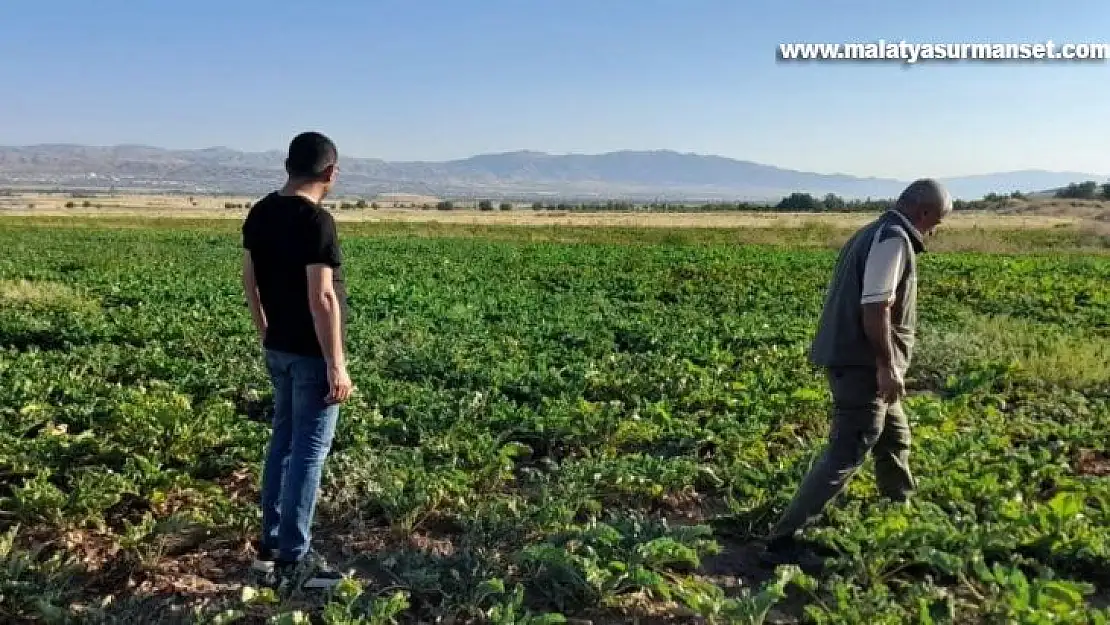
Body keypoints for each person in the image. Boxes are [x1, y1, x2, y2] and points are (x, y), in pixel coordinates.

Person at [762, 178, 953, 564]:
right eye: (937, 221)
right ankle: (783, 539)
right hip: (864, 364)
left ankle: (900, 516)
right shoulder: (894, 239)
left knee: (895, 437)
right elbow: (876, 307)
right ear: (923, 212)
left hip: (863, 362)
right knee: (848, 449)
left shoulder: (874, 231)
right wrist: (886, 365)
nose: (934, 231)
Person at [241, 131, 354, 590]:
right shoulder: (316, 222)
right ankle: (295, 559)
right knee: (308, 451)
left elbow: (249, 282)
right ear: (330, 172)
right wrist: (336, 363)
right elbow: (322, 297)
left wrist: (266, 332)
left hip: (280, 350)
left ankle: (272, 544)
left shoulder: (260, 212)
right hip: (310, 355)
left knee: (283, 443)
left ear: (289, 166)